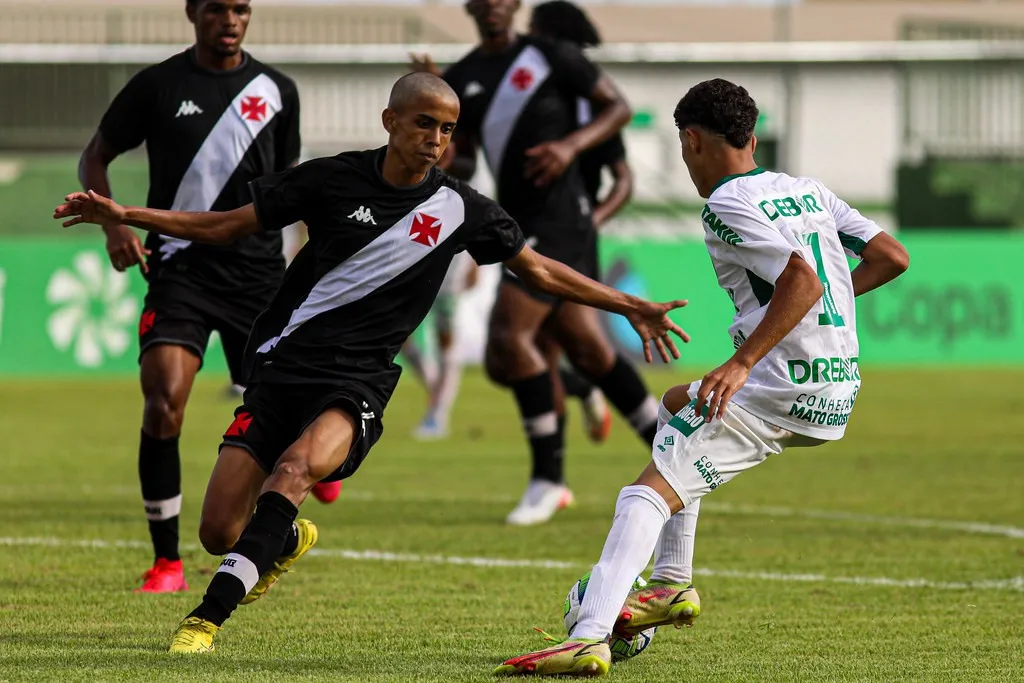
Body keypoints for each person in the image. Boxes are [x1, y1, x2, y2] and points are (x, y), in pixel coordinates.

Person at [54, 72, 691, 655]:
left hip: (356, 384)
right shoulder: (329, 179)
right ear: (390, 121)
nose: (436, 140)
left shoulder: (463, 208)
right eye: (423, 124)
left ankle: (205, 620)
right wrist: (124, 213)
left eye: (446, 129)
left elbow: (540, 269)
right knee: (219, 533)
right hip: (281, 370)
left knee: (298, 470)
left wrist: (629, 303)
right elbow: (226, 225)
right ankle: (284, 539)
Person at [495, 78, 910, 677]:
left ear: (691, 141)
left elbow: (803, 280)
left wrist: (743, 360)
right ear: (753, 134)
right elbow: (890, 257)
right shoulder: (807, 189)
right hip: (836, 383)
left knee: (645, 492)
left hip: (778, 386)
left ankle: (588, 636)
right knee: (673, 405)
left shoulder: (726, 204)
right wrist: (825, 315)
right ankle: (669, 583)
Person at [76, 0, 335, 594]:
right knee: (164, 399)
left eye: (241, 9)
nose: (231, 19)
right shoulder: (158, 85)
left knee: (285, 417)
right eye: (218, 8)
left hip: (260, 279)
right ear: (193, 12)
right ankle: (167, 562)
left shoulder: (277, 90)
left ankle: (292, 503)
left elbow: (292, 182)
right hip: (180, 272)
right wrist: (116, 226)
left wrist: (315, 259)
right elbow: (96, 154)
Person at [438, 0, 666, 526]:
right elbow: (468, 157)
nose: (493, 7)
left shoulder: (553, 57)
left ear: (514, 5)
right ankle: (678, 454)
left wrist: (568, 147)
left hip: (563, 221)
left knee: (508, 343)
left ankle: (548, 479)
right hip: (518, 224)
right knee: (586, 350)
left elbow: (619, 109)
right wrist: (448, 156)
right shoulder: (463, 75)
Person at [528, 0, 634, 447]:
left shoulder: (593, 108)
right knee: (533, 349)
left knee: (531, 347)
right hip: (536, 229)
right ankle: (553, 474)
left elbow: (625, 181)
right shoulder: (537, 104)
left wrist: (592, 221)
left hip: (570, 236)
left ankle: (551, 476)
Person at [401, 251, 480, 440]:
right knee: (400, 336)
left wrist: (475, 266)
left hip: (449, 282)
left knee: (445, 341)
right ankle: (437, 389)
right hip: (417, 277)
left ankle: (437, 415)